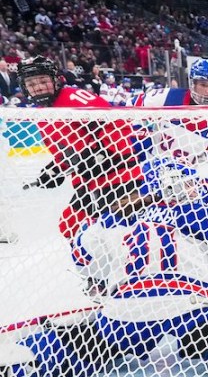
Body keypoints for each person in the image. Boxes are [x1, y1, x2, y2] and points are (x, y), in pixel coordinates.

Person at [0, 158, 208, 377]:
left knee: (85, 341)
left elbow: (83, 257)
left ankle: (25, 360)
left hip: (125, 310)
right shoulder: (205, 213)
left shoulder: (111, 218)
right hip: (191, 304)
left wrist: (102, 283)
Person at [17, 56, 142, 241]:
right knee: (69, 227)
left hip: (118, 178)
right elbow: (68, 151)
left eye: (43, 80)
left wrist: (105, 153)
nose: (39, 87)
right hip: (87, 183)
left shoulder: (74, 98)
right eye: (32, 83)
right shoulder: (42, 113)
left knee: (113, 233)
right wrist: (55, 170)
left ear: (56, 79)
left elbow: (117, 123)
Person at [131, 59, 208, 237]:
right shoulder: (167, 97)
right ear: (192, 84)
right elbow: (131, 107)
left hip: (194, 169)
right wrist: (142, 148)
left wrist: (197, 178)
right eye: (203, 84)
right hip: (156, 166)